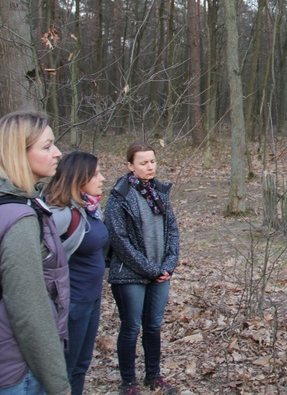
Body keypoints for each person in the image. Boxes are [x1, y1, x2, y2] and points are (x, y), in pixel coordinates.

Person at [0, 111, 70, 395]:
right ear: (18, 153)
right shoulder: (18, 218)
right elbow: (30, 310)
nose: (58, 153)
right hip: (15, 371)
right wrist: (58, 383)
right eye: (47, 146)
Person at [106, 142, 180, 395]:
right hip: (130, 274)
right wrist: (149, 269)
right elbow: (119, 239)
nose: (150, 167)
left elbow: (172, 231)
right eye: (143, 163)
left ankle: (153, 376)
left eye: (152, 161)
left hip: (160, 273)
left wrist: (168, 265)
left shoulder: (160, 192)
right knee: (131, 327)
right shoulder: (120, 195)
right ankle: (128, 383)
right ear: (130, 166)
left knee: (153, 326)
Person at [46, 152, 109, 395]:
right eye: (95, 174)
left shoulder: (89, 206)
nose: (102, 178)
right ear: (78, 178)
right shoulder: (60, 214)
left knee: (82, 364)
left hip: (91, 299)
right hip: (73, 303)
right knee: (67, 368)